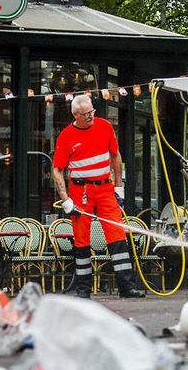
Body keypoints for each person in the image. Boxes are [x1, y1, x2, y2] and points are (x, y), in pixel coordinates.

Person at [51, 95, 145, 299]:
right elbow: (57, 170)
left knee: (117, 234)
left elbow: (115, 155)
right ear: (75, 114)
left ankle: (127, 287)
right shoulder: (66, 136)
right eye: (85, 114)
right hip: (80, 191)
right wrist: (66, 199)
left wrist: (119, 187)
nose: (90, 116)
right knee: (81, 239)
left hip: (105, 189)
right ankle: (83, 290)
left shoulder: (104, 126)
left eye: (92, 111)